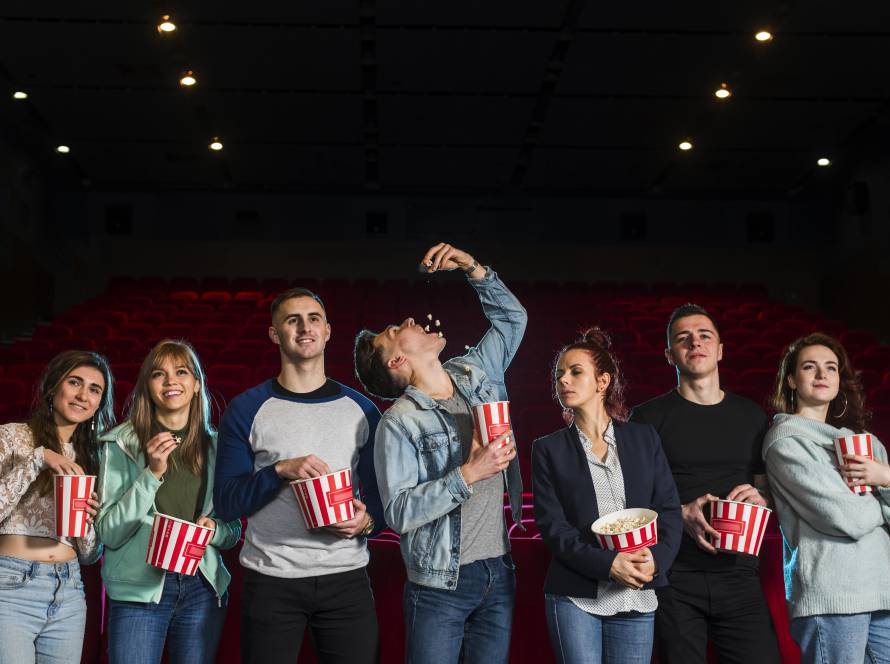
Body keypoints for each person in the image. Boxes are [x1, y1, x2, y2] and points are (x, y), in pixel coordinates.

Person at [354, 242, 526, 664]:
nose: (409, 320)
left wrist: (472, 267)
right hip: (439, 585)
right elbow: (397, 511)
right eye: (397, 329)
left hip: (498, 569)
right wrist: (468, 473)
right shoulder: (398, 421)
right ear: (396, 360)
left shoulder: (474, 373)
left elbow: (512, 319)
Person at [214, 287, 384, 664]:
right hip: (271, 578)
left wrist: (366, 521)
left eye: (313, 319)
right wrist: (278, 471)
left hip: (346, 578)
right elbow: (226, 502)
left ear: (327, 331)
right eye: (292, 320)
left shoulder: (362, 410)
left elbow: (381, 499)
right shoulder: (247, 408)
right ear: (275, 334)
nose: (304, 327)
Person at [630, 304, 781, 664]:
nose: (694, 342)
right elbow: (628, 499)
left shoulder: (751, 416)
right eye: (683, 339)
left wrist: (763, 498)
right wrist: (678, 513)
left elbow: (768, 491)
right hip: (675, 574)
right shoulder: (647, 418)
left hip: (740, 573)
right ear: (670, 355)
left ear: (720, 349)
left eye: (704, 336)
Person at [532, 327, 682, 664]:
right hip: (575, 595)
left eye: (575, 372)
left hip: (637, 591)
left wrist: (656, 562)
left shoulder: (644, 438)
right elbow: (554, 529)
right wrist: (609, 564)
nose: (563, 381)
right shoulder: (547, 449)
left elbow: (669, 510)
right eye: (559, 375)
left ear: (602, 382)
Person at [96, 339, 241, 664]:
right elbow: (109, 533)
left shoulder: (218, 448)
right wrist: (152, 474)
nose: (171, 380)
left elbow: (232, 530)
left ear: (196, 385)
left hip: (202, 588)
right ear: (147, 386)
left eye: (181, 372)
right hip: (138, 588)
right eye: (158, 374)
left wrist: (214, 530)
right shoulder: (121, 443)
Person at [763, 332, 890, 663]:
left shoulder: (867, 443)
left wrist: (885, 478)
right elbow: (846, 518)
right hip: (831, 595)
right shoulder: (785, 441)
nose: (822, 375)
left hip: (882, 588)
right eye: (810, 367)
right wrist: (882, 494)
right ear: (791, 379)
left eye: (831, 368)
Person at [0, 350, 113, 664]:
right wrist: (38, 459)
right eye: (75, 382)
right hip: (9, 585)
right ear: (53, 388)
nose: (83, 395)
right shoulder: (11, 436)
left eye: (94, 390)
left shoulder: (95, 458)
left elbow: (90, 555)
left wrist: (91, 521)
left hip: (69, 589)